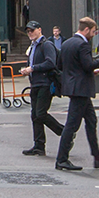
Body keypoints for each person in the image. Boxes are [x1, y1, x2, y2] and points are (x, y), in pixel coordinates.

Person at [54, 17, 99, 171]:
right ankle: (61, 159)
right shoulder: (83, 44)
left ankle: (97, 157)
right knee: (72, 125)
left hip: (73, 87)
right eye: (94, 31)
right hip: (81, 89)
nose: (94, 34)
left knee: (91, 120)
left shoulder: (67, 43)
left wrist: (82, 72)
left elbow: (61, 65)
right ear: (86, 29)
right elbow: (88, 65)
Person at [20, 21, 65, 157]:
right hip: (35, 83)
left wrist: (33, 68)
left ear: (39, 30)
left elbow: (50, 62)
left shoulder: (47, 44)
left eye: (32, 30)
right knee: (35, 116)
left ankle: (64, 131)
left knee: (40, 113)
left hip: (45, 83)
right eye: (28, 31)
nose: (30, 33)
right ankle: (39, 146)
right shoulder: (34, 46)